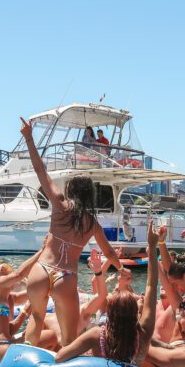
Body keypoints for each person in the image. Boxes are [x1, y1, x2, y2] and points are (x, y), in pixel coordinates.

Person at [19, 117, 127, 346]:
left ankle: (21, 360)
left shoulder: (59, 204)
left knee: (36, 318)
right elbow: (108, 253)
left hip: (41, 269)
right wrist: (121, 268)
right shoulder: (92, 223)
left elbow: (40, 171)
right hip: (65, 276)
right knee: (68, 338)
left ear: (70, 190)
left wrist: (29, 138)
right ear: (89, 195)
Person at [55, 221, 159, 365]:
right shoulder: (144, 333)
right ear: (136, 313)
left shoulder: (97, 335)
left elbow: (59, 357)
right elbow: (151, 286)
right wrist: (153, 247)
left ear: (109, 313)